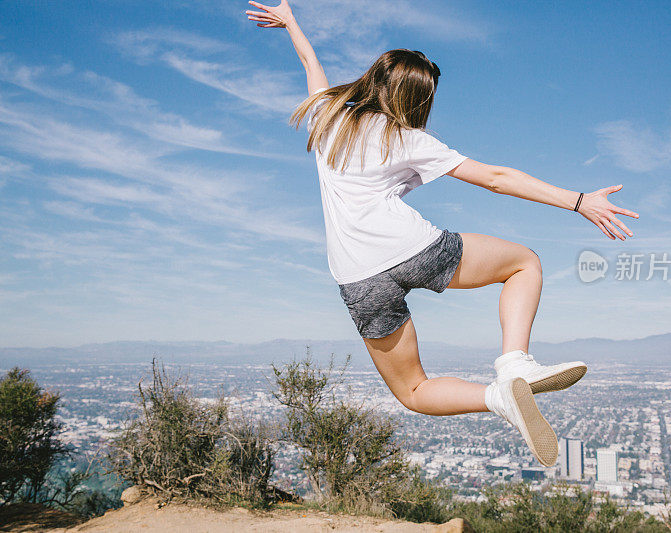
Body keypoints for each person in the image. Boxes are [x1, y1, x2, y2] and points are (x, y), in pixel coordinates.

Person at [246, 0, 639, 467]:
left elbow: (313, 69)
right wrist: (577, 201)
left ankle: (496, 399)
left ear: (373, 80)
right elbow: (496, 178)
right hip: (413, 249)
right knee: (524, 263)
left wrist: (291, 23)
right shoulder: (409, 138)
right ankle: (514, 365)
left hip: (356, 277)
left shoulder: (329, 118)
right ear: (418, 100)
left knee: (413, 391)